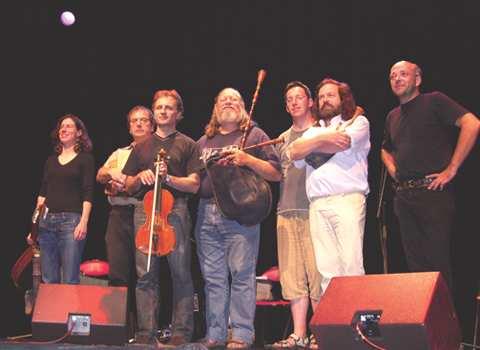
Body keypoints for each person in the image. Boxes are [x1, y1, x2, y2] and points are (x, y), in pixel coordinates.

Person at [381, 60, 479, 292]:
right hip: (404, 197)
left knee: (437, 264)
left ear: (417, 79)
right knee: (416, 268)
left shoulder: (434, 101)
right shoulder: (392, 116)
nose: (397, 78)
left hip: (432, 193)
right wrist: (394, 171)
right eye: (392, 75)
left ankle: (445, 326)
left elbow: (472, 123)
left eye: (403, 74)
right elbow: (384, 148)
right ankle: (425, 325)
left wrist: (452, 168)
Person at [195, 87, 281, 349]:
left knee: (242, 275)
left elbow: (276, 173)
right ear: (215, 108)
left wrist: (247, 160)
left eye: (234, 99)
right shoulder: (202, 142)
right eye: (223, 99)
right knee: (213, 278)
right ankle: (216, 334)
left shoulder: (254, 135)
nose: (228, 102)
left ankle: (242, 334)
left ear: (243, 106)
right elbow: (194, 181)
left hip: (241, 215)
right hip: (206, 214)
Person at [123, 90, 201, 346]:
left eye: (169, 108)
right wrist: (140, 177)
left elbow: (194, 185)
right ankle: (146, 332)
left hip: (175, 210)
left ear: (178, 114)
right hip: (144, 211)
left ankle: (181, 332)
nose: (163, 111)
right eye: (159, 107)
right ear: (154, 112)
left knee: (180, 272)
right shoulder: (141, 145)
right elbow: (129, 185)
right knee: (145, 273)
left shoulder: (188, 144)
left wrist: (168, 178)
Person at [289, 78, 370, 298]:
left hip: (347, 200)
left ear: (343, 98)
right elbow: (294, 152)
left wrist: (313, 144)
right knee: (326, 270)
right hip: (317, 204)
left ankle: (356, 327)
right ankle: (334, 326)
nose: (325, 100)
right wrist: (323, 139)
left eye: (331, 95)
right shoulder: (313, 130)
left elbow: (342, 142)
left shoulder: (358, 122)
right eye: (322, 96)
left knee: (350, 266)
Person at [271, 82, 321, 349]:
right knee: (291, 277)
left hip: (314, 211)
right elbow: (278, 174)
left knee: (317, 275)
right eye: (289, 99)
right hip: (285, 212)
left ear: (310, 101)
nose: (294, 102)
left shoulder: (321, 132)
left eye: (299, 97)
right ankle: (299, 334)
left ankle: (320, 333)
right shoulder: (281, 138)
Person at [34, 114, 94, 284]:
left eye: (69, 126)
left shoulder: (85, 159)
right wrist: (34, 225)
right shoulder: (50, 161)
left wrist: (84, 221)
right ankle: (51, 311)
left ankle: (68, 311)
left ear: (79, 133)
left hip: (71, 222)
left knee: (70, 278)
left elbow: (88, 192)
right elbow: (42, 194)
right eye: (62, 127)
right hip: (46, 222)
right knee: (48, 278)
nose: (63, 129)